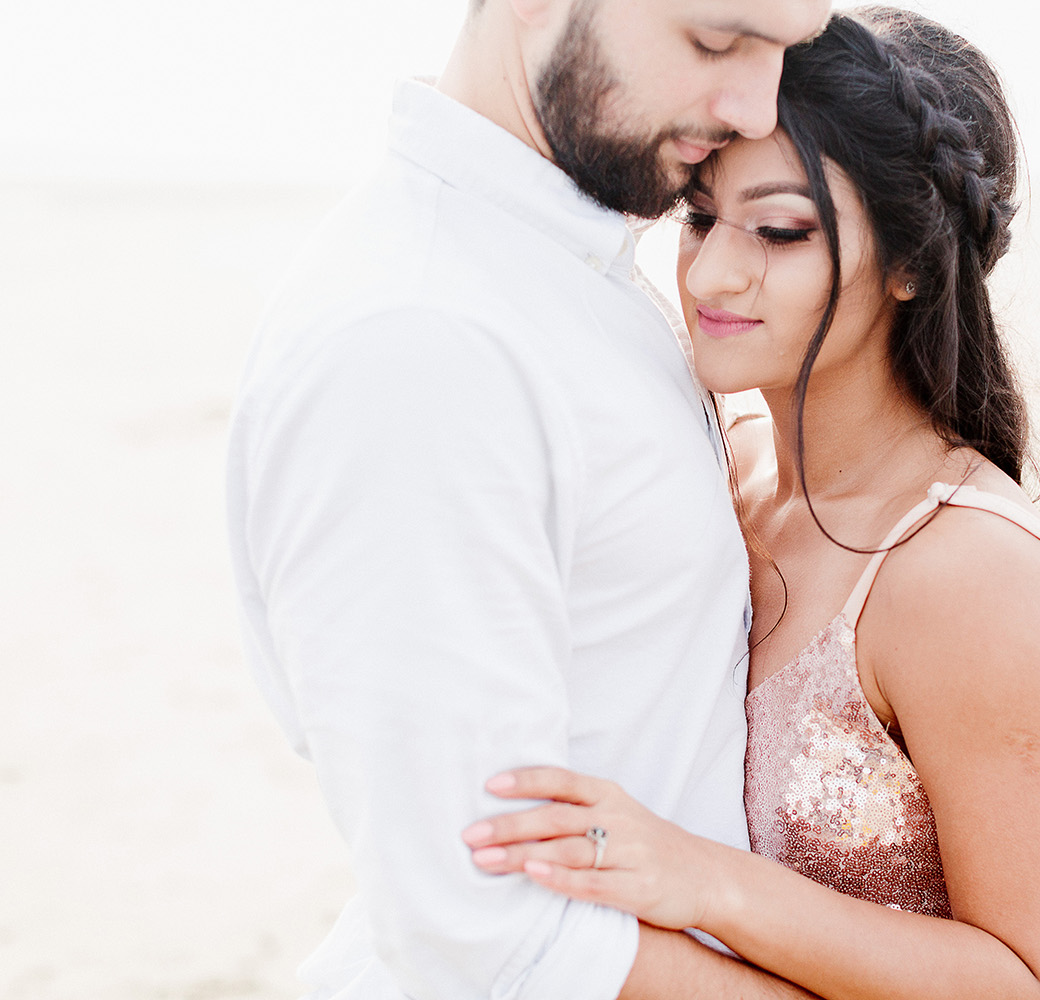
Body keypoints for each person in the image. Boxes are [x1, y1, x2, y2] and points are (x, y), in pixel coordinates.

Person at [459, 8, 1040, 999]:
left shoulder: (963, 568)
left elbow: (1039, 984)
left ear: (909, 265)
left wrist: (702, 878)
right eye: (700, 215)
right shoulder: (729, 473)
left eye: (781, 230)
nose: (713, 272)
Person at [225, 0, 830, 997]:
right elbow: (481, 931)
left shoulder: (552, 271)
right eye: (718, 41)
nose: (757, 107)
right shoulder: (420, 337)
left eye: (784, 52)